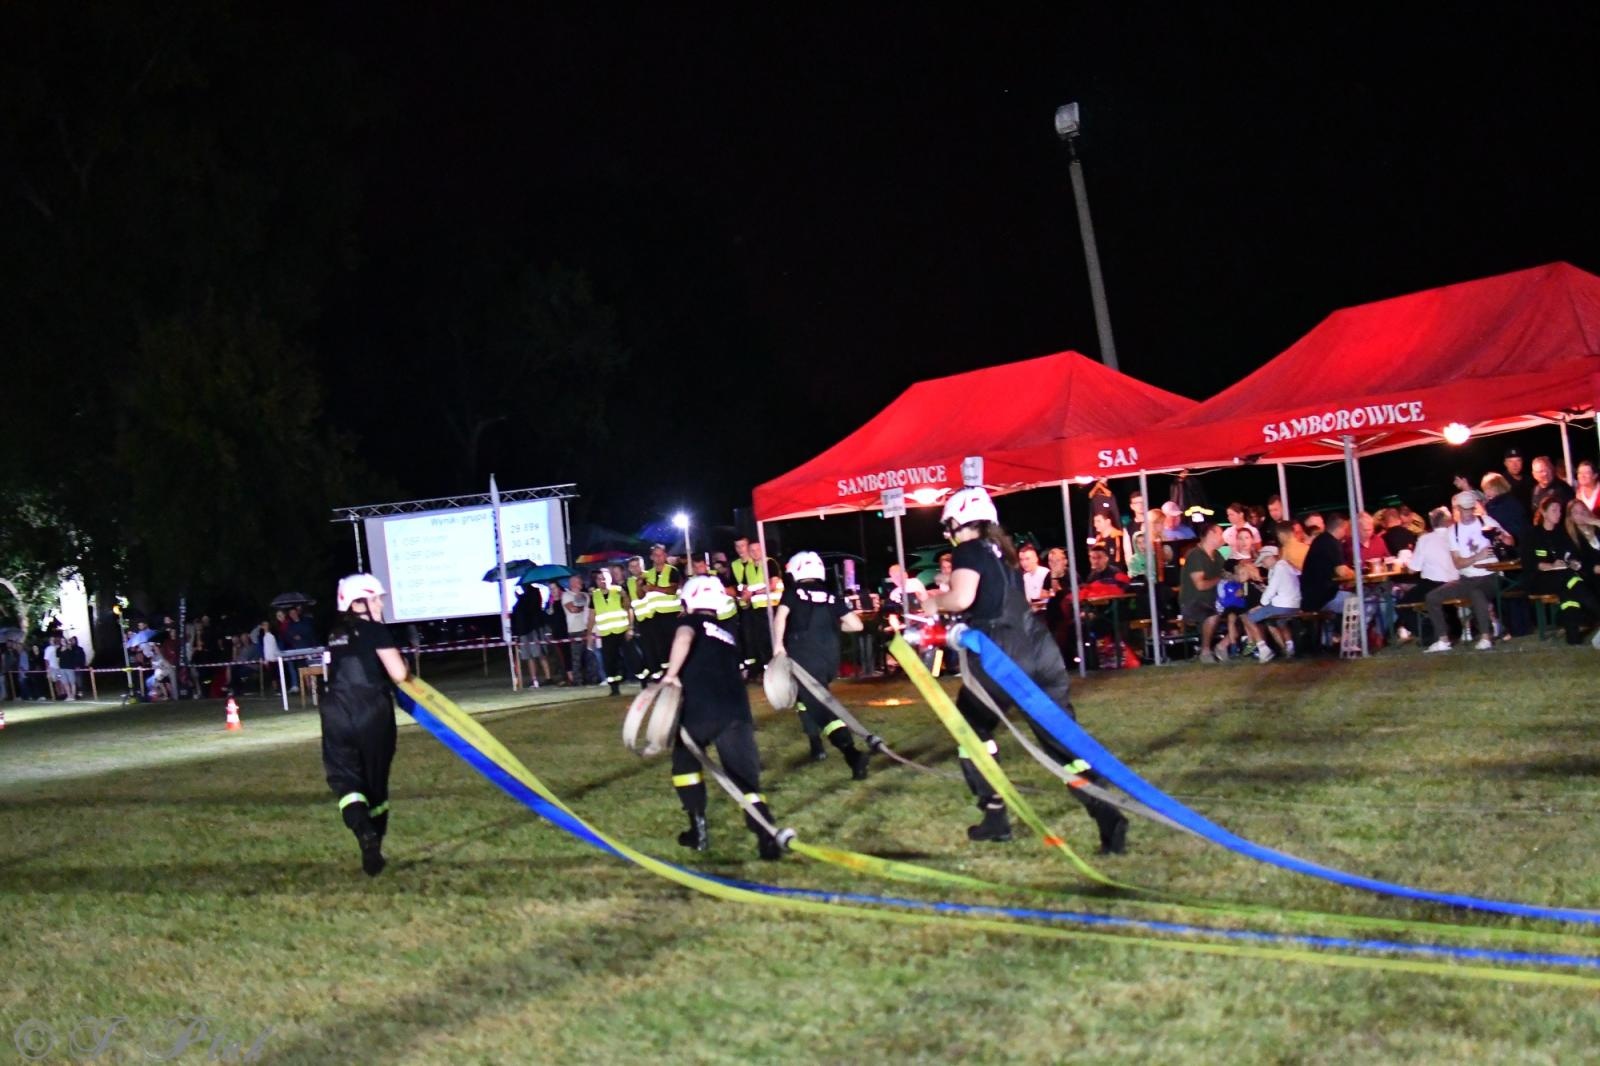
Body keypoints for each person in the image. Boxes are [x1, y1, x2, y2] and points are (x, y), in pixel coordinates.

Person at [918, 487, 1128, 854]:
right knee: (1061, 741)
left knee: (971, 732)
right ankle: (1106, 813)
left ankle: (995, 815)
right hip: (1040, 646)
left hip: (1002, 649)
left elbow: (964, 598)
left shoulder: (968, 549)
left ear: (958, 522)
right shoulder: (1006, 552)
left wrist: (931, 603)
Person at [662, 576, 783, 859]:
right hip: (737, 712)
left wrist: (670, 676)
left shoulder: (690, 622)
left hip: (701, 708)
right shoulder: (728, 632)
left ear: (689, 600)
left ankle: (698, 829)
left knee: (685, 763)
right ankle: (766, 835)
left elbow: (683, 638)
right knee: (745, 780)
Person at [320, 574, 410, 877]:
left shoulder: (334, 634)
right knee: (375, 782)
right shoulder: (375, 631)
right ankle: (375, 842)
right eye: (375, 598)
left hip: (335, 710)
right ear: (359, 603)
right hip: (371, 710)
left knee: (345, 779)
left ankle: (362, 831)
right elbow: (398, 674)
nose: (381, 603)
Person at [772, 551, 869, 774]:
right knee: (804, 698)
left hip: (804, 655)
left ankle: (851, 754)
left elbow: (780, 617)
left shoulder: (793, 592)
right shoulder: (831, 595)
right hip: (829, 658)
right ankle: (815, 746)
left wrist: (778, 645)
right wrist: (833, 629)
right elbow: (856, 625)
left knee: (820, 708)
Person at [1423, 493, 1501, 653]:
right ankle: (1443, 639)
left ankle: (1486, 637)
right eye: (1463, 509)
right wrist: (1477, 556)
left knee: (1477, 592)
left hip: (1490, 576)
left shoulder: (1486, 522)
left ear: (1473, 508)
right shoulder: (1453, 531)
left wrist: (1502, 538)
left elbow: (1509, 539)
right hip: (1467, 578)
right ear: (1458, 509)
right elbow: (1458, 563)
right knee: (1432, 597)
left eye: (1469, 509)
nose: (1466, 513)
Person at [1524, 496, 1600, 646]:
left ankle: (1573, 639)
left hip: (1563, 578)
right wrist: (1551, 566)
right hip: (1541, 579)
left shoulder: (1562, 534)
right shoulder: (1533, 534)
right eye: (1554, 510)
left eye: (1559, 510)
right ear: (1543, 512)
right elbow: (1531, 563)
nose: (1558, 513)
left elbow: (1572, 555)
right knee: (1570, 580)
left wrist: (1572, 563)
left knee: (1569, 595)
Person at [1180, 525, 1229, 663]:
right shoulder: (1196, 555)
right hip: (1194, 601)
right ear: (1211, 534)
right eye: (1220, 533)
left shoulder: (1217, 555)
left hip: (1214, 600)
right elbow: (1200, 585)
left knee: (1241, 613)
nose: (1222, 537)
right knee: (1213, 614)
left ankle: (1222, 645)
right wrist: (1220, 579)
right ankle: (1205, 650)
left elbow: (1226, 573)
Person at [1245, 546, 1298, 659]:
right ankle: (1289, 647)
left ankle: (1263, 649)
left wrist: (1261, 605)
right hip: (1294, 605)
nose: (1263, 563)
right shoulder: (1286, 566)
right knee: (1279, 622)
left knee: (1249, 617)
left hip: (1282, 605)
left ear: (1270, 557)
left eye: (1263, 560)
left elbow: (1271, 590)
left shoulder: (1279, 568)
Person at [586, 568, 633, 695]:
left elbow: (628, 609)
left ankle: (643, 683)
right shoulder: (595, 596)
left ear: (610, 579)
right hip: (606, 634)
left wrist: (630, 628)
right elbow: (592, 616)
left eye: (605, 578)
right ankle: (614, 688)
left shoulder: (619, 591)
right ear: (596, 581)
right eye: (600, 579)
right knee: (609, 662)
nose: (602, 581)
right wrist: (589, 633)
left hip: (622, 631)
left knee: (633, 657)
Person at [641, 544, 683, 681]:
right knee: (661, 647)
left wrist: (654, 588)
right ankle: (667, 675)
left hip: (671, 614)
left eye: (661, 555)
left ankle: (679, 673)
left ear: (665, 555)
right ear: (651, 557)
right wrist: (639, 587)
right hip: (655, 615)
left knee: (674, 645)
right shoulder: (647, 574)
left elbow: (672, 590)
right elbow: (641, 594)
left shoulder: (673, 571)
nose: (658, 558)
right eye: (656, 555)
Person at [1503, 447, 1534, 513]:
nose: (1515, 465)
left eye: (1518, 460)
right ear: (1505, 463)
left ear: (1522, 462)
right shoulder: (1501, 482)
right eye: (1510, 461)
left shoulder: (1529, 480)